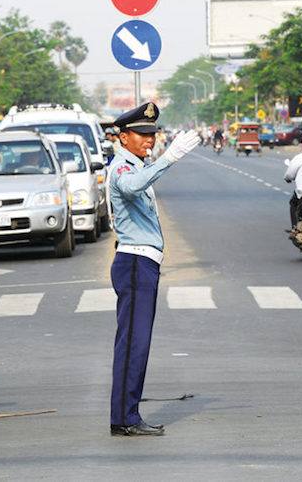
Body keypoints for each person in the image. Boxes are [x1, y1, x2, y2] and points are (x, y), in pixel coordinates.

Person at [106, 102, 200, 437]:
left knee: (138, 343)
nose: (149, 139)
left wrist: (161, 159)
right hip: (134, 262)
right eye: (141, 134)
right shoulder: (122, 168)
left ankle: (127, 414)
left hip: (142, 262)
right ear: (123, 137)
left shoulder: (136, 165)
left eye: (153, 134)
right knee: (133, 343)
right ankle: (124, 418)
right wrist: (168, 158)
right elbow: (132, 187)